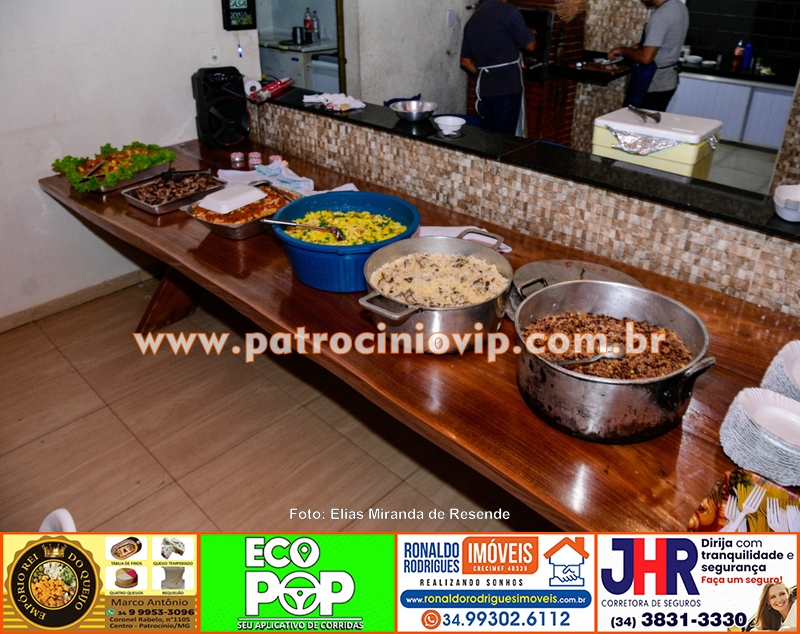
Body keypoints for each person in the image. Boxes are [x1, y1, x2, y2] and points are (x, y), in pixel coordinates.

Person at [460, 0, 537, 136]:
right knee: (505, 139)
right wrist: (531, 34)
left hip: (484, 89)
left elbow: (465, 62)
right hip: (507, 87)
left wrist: (486, 75)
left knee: (488, 138)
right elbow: (531, 46)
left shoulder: (473, 19)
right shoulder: (508, 11)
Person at [609, 0, 689, 111]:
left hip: (652, 83)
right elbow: (665, 40)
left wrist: (623, 50)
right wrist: (638, 47)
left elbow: (646, 58)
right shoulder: (679, 6)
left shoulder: (660, 15)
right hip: (668, 81)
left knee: (634, 120)